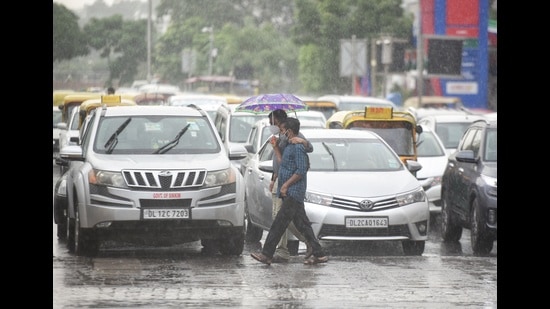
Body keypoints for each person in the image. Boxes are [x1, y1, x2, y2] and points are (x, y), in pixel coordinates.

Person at [251, 117, 328, 265]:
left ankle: (266, 254)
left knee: (279, 223)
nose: (281, 133)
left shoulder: (298, 147)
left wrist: (286, 185)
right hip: (289, 191)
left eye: (282, 130)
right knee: (302, 224)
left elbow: (301, 170)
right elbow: (282, 163)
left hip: (294, 191)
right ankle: (319, 253)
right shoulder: (287, 145)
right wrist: (275, 148)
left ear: (290, 131)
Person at [268, 109, 313, 262]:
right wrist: (273, 178)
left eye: (273, 123)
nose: (271, 126)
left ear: (280, 122)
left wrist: (303, 142)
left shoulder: (293, 137)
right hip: (280, 179)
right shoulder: (281, 137)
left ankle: (306, 244)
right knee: (283, 217)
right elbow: (279, 161)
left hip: (289, 184)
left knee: (284, 218)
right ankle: (311, 245)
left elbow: (308, 150)